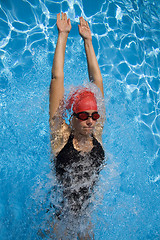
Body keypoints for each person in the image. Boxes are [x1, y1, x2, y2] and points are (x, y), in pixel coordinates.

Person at [49, 12, 105, 240]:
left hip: (85, 221)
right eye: (83, 115)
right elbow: (56, 79)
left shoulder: (97, 133)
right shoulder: (61, 136)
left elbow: (97, 82)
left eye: (94, 114)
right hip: (59, 220)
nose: (90, 120)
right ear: (72, 117)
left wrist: (88, 41)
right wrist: (62, 35)